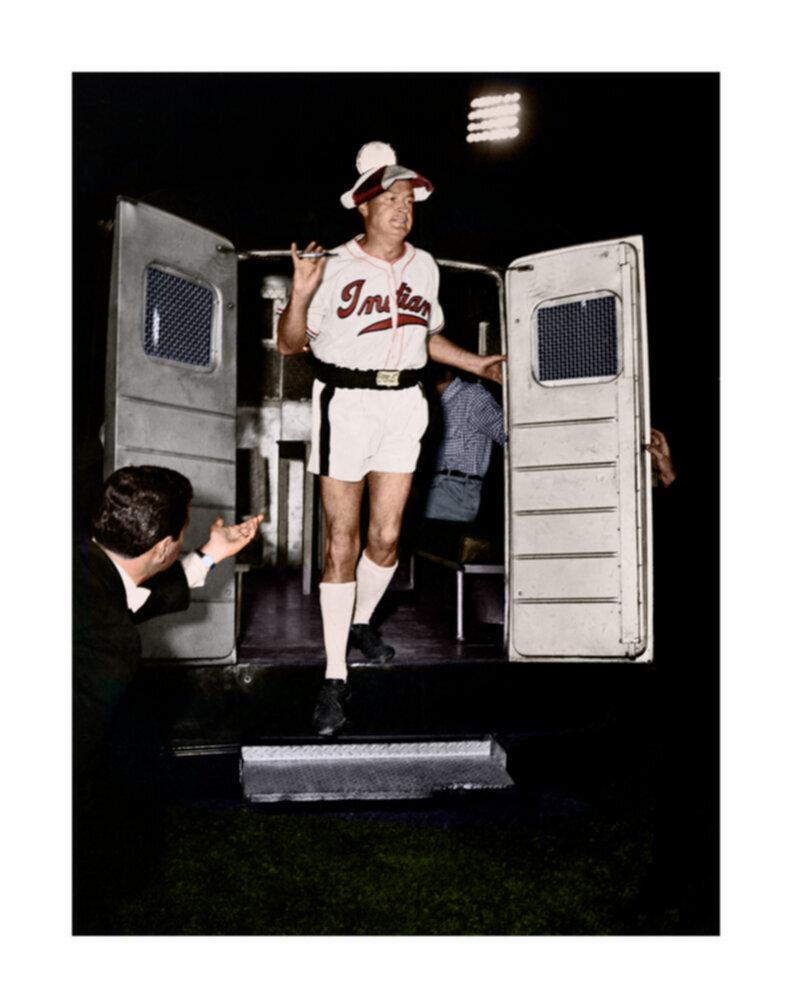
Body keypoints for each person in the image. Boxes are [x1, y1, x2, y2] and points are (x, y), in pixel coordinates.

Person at [276, 141, 505, 736]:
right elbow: (290, 344)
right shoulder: (333, 262)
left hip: (406, 402)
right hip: (345, 403)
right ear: (365, 206)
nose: (404, 208)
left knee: (387, 539)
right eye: (394, 199)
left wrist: (478, 365)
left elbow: (425, 337)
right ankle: (333, 678)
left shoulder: (425, 266)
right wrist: (300, 292)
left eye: (411, 200)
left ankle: (360, 622)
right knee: (341, 545)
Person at [73, 464, 262, 931]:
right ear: (162, 548)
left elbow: (132, 596)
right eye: (182, 533)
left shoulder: (83, 561)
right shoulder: (108, 644)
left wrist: (210, 555)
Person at [423, 365, 506, 524]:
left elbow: (507, 434)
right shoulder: (427, 401)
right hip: (426, 488)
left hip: (454, 491)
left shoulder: (472, 397)